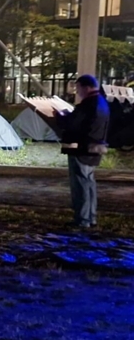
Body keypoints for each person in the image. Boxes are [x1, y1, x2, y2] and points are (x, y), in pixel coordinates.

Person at [50, 74, 110, 229]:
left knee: (80, 185)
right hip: (96, 149)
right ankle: (91, 217)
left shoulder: (87, 105)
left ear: (86, 87)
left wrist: (59, 116)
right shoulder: (102, 103)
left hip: (82, 149)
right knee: (89, 183)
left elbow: (72, 124)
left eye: (78, 88)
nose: (77, 92)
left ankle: (82, 220)